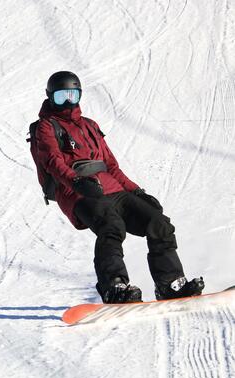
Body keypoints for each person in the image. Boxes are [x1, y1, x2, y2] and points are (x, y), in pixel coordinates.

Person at [35, 71, 204, 303]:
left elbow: (111, 165)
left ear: (79, 96)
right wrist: (77, 182)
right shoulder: (46, 127)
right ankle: (114, 286)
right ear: (50, 96)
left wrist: (137, 192)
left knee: (158, 222)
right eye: (61, 96)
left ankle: (170, 284)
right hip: (76, 192)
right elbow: (53, 162)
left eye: (72, 95)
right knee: (111, 226)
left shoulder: (90, 126)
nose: (67, 102)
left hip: (112, 188)